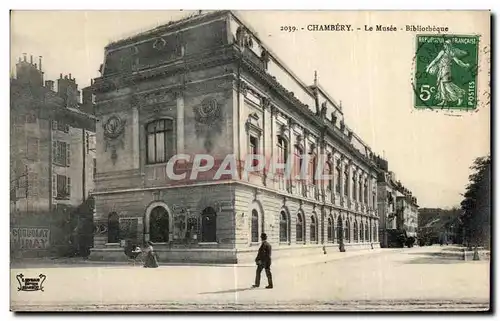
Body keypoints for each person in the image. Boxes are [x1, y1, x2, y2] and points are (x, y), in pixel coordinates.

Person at [425, 39, 470, 106]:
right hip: (443, 70)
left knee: (447, 85)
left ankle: (459, 97)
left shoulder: (445, 52)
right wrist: (465, 65)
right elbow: (458, 62)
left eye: (445, 44)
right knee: (442, 85)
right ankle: (444, 101)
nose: (444, 45)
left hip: (445, 70)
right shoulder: (449, 52)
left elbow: (436, 60)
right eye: (444, 44)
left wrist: (429, 67)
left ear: (447, 45)